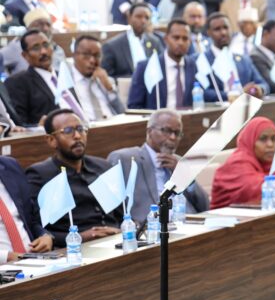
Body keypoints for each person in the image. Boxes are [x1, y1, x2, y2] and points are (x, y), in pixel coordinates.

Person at [26, 108, 122, 246]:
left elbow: (122, 213)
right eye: (68, 131)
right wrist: (80, 237)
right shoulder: (40, 174)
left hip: (115, 241)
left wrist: (120, 230)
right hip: (73, 250)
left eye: (80, 129)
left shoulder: (103, 167)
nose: (77, 136)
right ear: (51, 140)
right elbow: (38, 228)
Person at [108, 108, 209, 221]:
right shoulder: (125, 159)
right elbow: (108, 207)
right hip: (150, 228)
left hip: (187, 224)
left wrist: (185, 176)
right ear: (149, 131)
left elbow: (204, 206)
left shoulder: (179, 162)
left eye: (177, 133)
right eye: (166, 130)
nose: (173, 137)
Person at [210, 117, 275, 209]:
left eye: (274, 139)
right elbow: (250, 186)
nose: (270, 145)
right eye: (263, 139)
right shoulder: (237, 162)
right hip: (227, 222)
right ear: (251, 140)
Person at [127, 19, 197, 110]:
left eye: (185, 39)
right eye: (176, 38)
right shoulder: (146, 67)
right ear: (166, 39)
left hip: (188, 121)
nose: (180, 42)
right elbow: (134, 106)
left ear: (190, 42)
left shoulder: (192, 65)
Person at [203, 13, 268, 100]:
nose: (223, 32)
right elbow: (203, 91)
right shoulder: (202, 60)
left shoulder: (244, 60)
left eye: (226, 28)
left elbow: (263, 84)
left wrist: (259, 89)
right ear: (209, 33)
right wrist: (236, 95)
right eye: (217, 29)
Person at [0, 156, 52, 263]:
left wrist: (44, 236)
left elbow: (31, 218)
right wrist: (6, 256)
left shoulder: (9, 165)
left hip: (34, 260)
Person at [6, 29, 62, 127]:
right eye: (36, 48)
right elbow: (19, 125)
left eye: (46, 45)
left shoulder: (63, 76)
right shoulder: (18, 82)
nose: (44, 52)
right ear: (25, 55)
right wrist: (38, 127)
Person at [101, 2, 164, 79]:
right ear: (129, 18)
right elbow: (107, 76)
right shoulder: (112, 45)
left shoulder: (155, 42)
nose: (143, 21)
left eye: (147, 18)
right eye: (139, 16)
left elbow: (162, 68)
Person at [70, 35, 126, 121]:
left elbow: (122, 112)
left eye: (97, 55)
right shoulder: (67, 81)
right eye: (86, 54)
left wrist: (109, 88)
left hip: (112, 126)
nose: (92, 60)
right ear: (74, 55)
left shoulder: (105, 79)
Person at [0, 8, 65, 76]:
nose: (45, 28)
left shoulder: (58, 50)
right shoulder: (16, 47)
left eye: (48, 25)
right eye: (39, 24)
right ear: (28, 28)